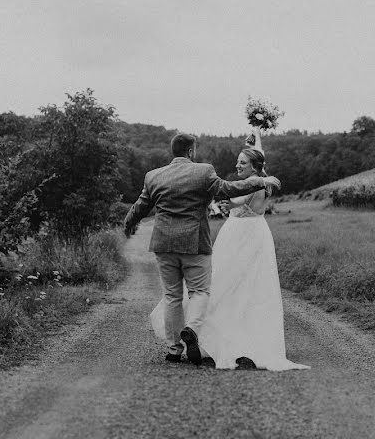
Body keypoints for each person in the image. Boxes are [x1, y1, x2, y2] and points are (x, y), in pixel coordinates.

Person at [150, 130, 309, 371]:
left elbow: (238, 198)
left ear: (255, 167)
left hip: (246, 236)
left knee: (235, 285)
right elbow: (237, 194)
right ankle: (211, 332)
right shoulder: (258, 183)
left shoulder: (257, 187)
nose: (238, 165)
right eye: (237, 161)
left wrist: (235, 196)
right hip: (241, 234)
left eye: (243, 162)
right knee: (230, 284)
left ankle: (223, 337)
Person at [124, 133, 282, 365]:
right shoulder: (204, 171)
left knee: (172, 296)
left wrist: (128, 224)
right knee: (199, 291)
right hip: (194, 243)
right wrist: (261, 180)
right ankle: (191, 329)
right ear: (191, 151)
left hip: (164, 243)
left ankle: (174, 350)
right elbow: (228, 188)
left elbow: (140, 206)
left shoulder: (153, 176)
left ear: (173, 151)